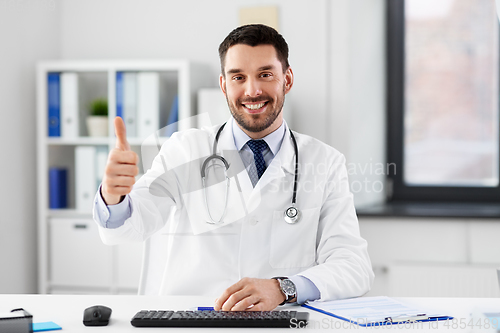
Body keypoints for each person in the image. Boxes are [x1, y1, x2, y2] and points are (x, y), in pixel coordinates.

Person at [93, 24, 374, 311]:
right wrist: (113, 196)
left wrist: (283, 288)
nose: (252, 91)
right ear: (224, 84)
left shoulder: (325, 163)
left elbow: (353, 266)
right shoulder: (185, 150)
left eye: (265, 75)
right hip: (193, 321)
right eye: (238, 77)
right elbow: (130, 226)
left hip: (278, 322)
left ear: (287, 80)